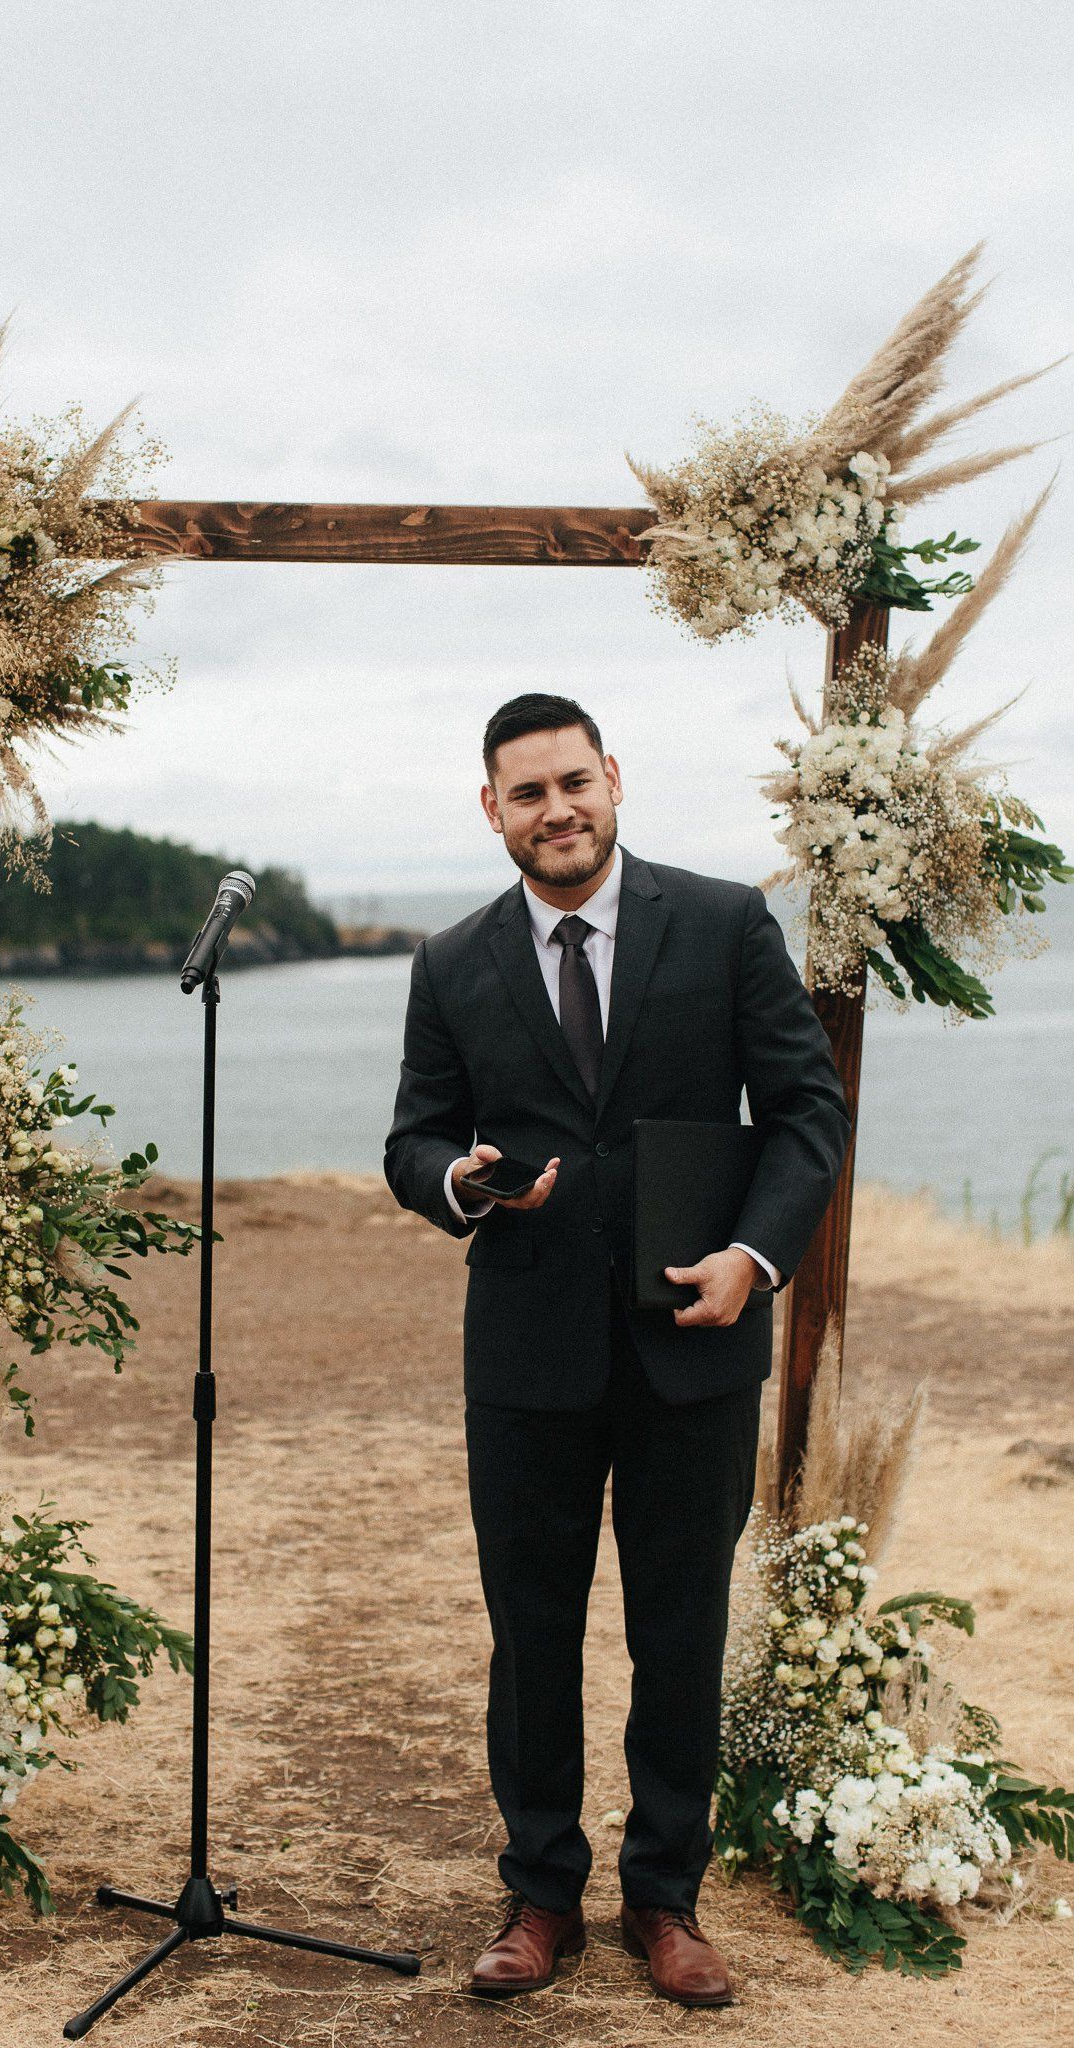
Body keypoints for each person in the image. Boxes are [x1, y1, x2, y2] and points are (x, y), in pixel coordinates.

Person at [384, 693, 850, 2007]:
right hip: (525, 1355)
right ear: (492, 810)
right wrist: (462, 1180)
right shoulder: (450, 961)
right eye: (528, 793)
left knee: (680, 1634)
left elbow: (806, 1111)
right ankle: (541, 1897)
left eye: (573, 782)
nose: (557, 811)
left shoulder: (722, 923)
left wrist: (754, 1257)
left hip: (692, 1343)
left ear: (613, 779)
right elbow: (412, 1141)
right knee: (530, 1636)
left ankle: (665, 1898)